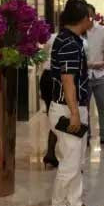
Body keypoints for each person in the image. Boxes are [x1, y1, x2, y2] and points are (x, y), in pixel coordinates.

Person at [49, 0, 100, 206]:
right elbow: (67, 80)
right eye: (90, 16)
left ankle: (74, 203)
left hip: (72, 106)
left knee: (75, 159)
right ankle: (59, 205)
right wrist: (75, 114)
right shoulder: (69, 43)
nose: (92, 20)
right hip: (67, 108)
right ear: (83, 18)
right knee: (70, 162)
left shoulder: (71, 39)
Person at [84, 4, 104, 147]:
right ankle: (85, 136)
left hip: (100, 75)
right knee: (84, 108)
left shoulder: (101, 30)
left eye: (90, 14)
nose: (88, 17)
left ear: (94, 15)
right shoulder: (79, 31)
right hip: (84, 75)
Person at [40, 32, 59, 168]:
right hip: (58, 78)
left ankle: (51, 153)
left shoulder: (52, 37)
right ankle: (51, 153)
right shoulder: (77, 40)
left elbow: (44, 56)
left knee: (53, 115)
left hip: (46, 77)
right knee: (60, 115)